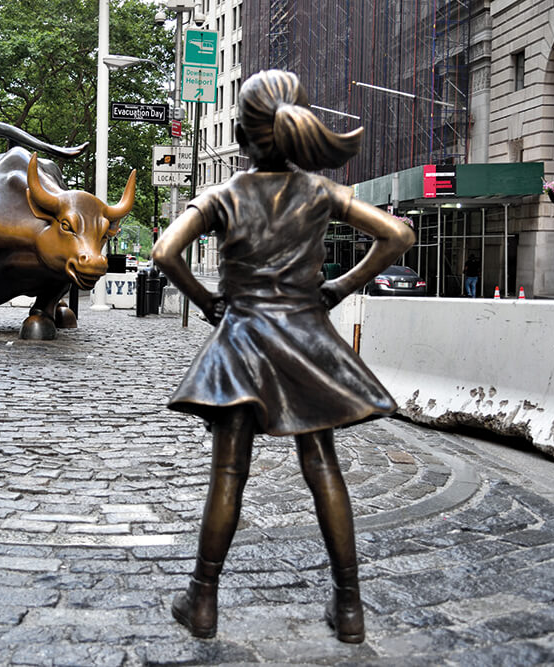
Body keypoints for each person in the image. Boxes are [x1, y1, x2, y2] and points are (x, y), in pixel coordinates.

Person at [152, 70, 415, 644]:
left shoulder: (225, 195)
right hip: (304, 338)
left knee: (229, 472)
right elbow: (397, 236)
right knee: (323, 467)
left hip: (242, 341)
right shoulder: (321, 193)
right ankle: (350, 608)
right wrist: (338, 289)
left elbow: (165, 251)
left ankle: (202, 600)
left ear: (244, 136)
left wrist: (208, 305)